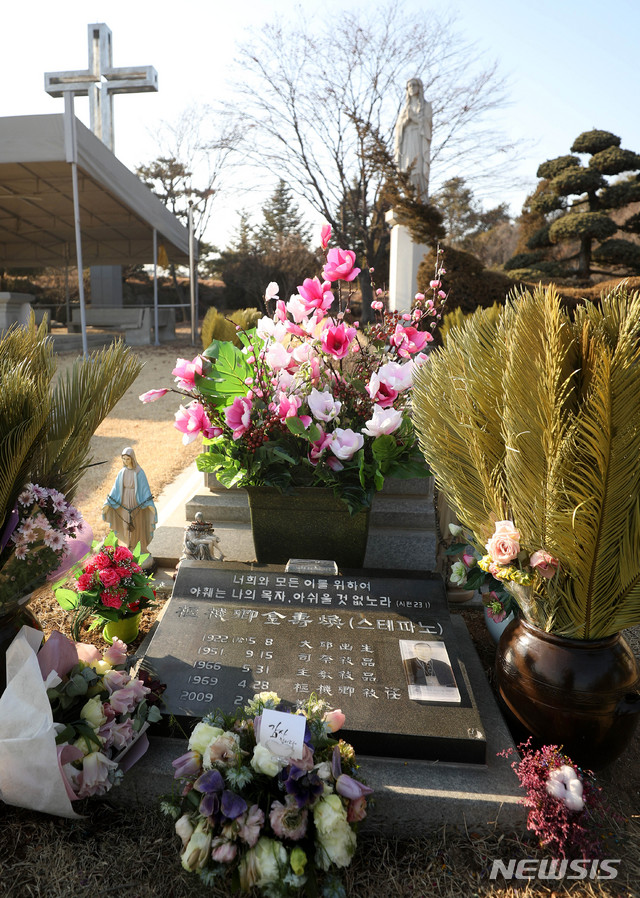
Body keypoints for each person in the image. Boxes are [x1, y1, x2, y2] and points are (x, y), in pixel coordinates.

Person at [102, 448, 157, 560]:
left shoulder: (139, 472)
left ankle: (138, 548)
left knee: (135, 525)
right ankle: (126, 547)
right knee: (125, 525)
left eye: (128, 459)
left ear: (132, 459)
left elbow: (145, 489)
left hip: (136, 503)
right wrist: (108, 502)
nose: (126, 461)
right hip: (124, 503)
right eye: (124, 459)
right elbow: (115, 489)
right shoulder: (122, 472)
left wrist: (149, 503)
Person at [393, 77, 433, 199]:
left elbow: (427, 126)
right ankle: (408, 196)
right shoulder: (405, 109)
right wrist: (405, 121)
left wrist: (414, 118)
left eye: (414, 85)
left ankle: (419, 197)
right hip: (406, 140)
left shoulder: (426, 106)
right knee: (406, 169)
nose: (411, 88)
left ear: (419, 87)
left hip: (418, 140)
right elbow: (398, 128)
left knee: (417, 168)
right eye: (409, 86)